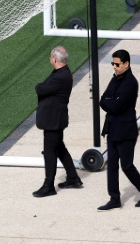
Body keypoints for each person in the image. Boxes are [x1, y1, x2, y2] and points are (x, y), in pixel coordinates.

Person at [97, 49, 140, 211]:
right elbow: (103, 100)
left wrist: (110, 102)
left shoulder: (130, 82)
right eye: (113, 64)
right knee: (113, 165)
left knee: (127, 165)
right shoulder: (115, 79)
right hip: (113, 129)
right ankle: (114, 198)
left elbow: (114, 105)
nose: (114, 67)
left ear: (126, 64)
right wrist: (110, 102)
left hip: (126, 132)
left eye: (117, 64)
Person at [33, 46, 82, 198]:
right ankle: (73, 178)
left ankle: (48, 186)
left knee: (50, 152)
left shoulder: (60, 77)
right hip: (55, 118)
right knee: (59, 148)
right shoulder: (61, 73)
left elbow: (40, 89)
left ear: (54, 59)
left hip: (53, 120)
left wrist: (39, 86)